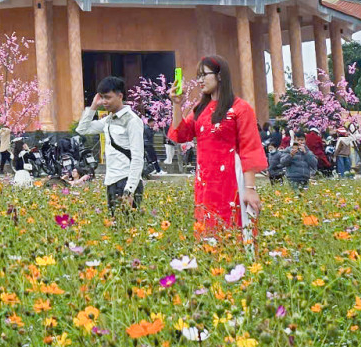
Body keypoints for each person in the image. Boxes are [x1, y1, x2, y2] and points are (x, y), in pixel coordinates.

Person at [167, 56, 267, 236]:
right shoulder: (200, 109)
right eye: (198, 76)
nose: (200, 81)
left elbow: (249, 149)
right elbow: (180, 134)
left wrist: (250, 189)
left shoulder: (241, 108)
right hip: (205, 181)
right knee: (208, 227)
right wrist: (176, 105)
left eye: (204, 75)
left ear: (220, 75)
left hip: (231, 179)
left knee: (232, 226)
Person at [77, 76, 146, 218]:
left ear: (120, 96)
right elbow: (82, 129)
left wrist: (129, 190)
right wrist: (93, 107)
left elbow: (138, 157)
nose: (104, 102)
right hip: (111, 181)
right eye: (101, 97)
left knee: (128, 230)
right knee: (115, 229)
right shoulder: (109, 120)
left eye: (107, 97)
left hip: (126, 181)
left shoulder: (132, 121)